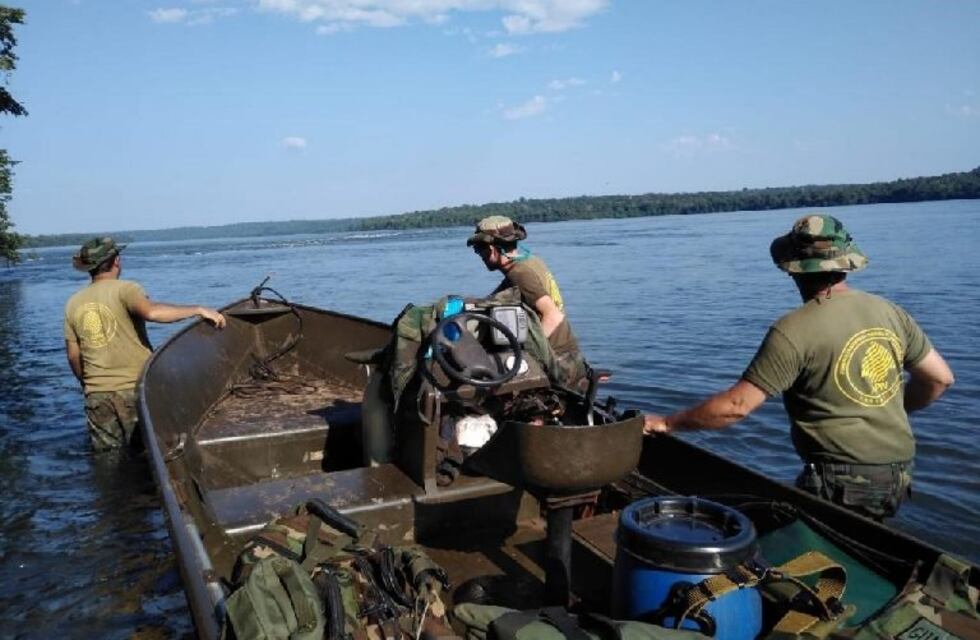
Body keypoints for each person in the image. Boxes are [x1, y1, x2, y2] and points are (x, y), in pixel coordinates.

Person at [644, 214, 954, 520]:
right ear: (846, 262)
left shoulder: (793, 330)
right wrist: (890, 409)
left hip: (841, 481)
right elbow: (940, 379)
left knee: (784, 548)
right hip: (900, 473)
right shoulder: (891, 312)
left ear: (792, 270)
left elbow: (736, 406)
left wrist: (668, 423)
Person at [64, 236, 226, 452]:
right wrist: (197, 309)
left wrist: (90, 385)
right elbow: (151, 312)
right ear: (116, 261)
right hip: (134, 389)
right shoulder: (126, 289)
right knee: (149, 454)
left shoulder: (73, 303)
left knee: (108, 458)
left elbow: (74, 356)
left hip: (96, 395)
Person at [466, 215, 589, 392]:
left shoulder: (520, 273)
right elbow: (494, 298)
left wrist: (526, 358)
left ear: (492, 248)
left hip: (559, 361)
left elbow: (553, 316)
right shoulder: (530, 262)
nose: (480, 256)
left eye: (479, 249)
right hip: (569, 355)